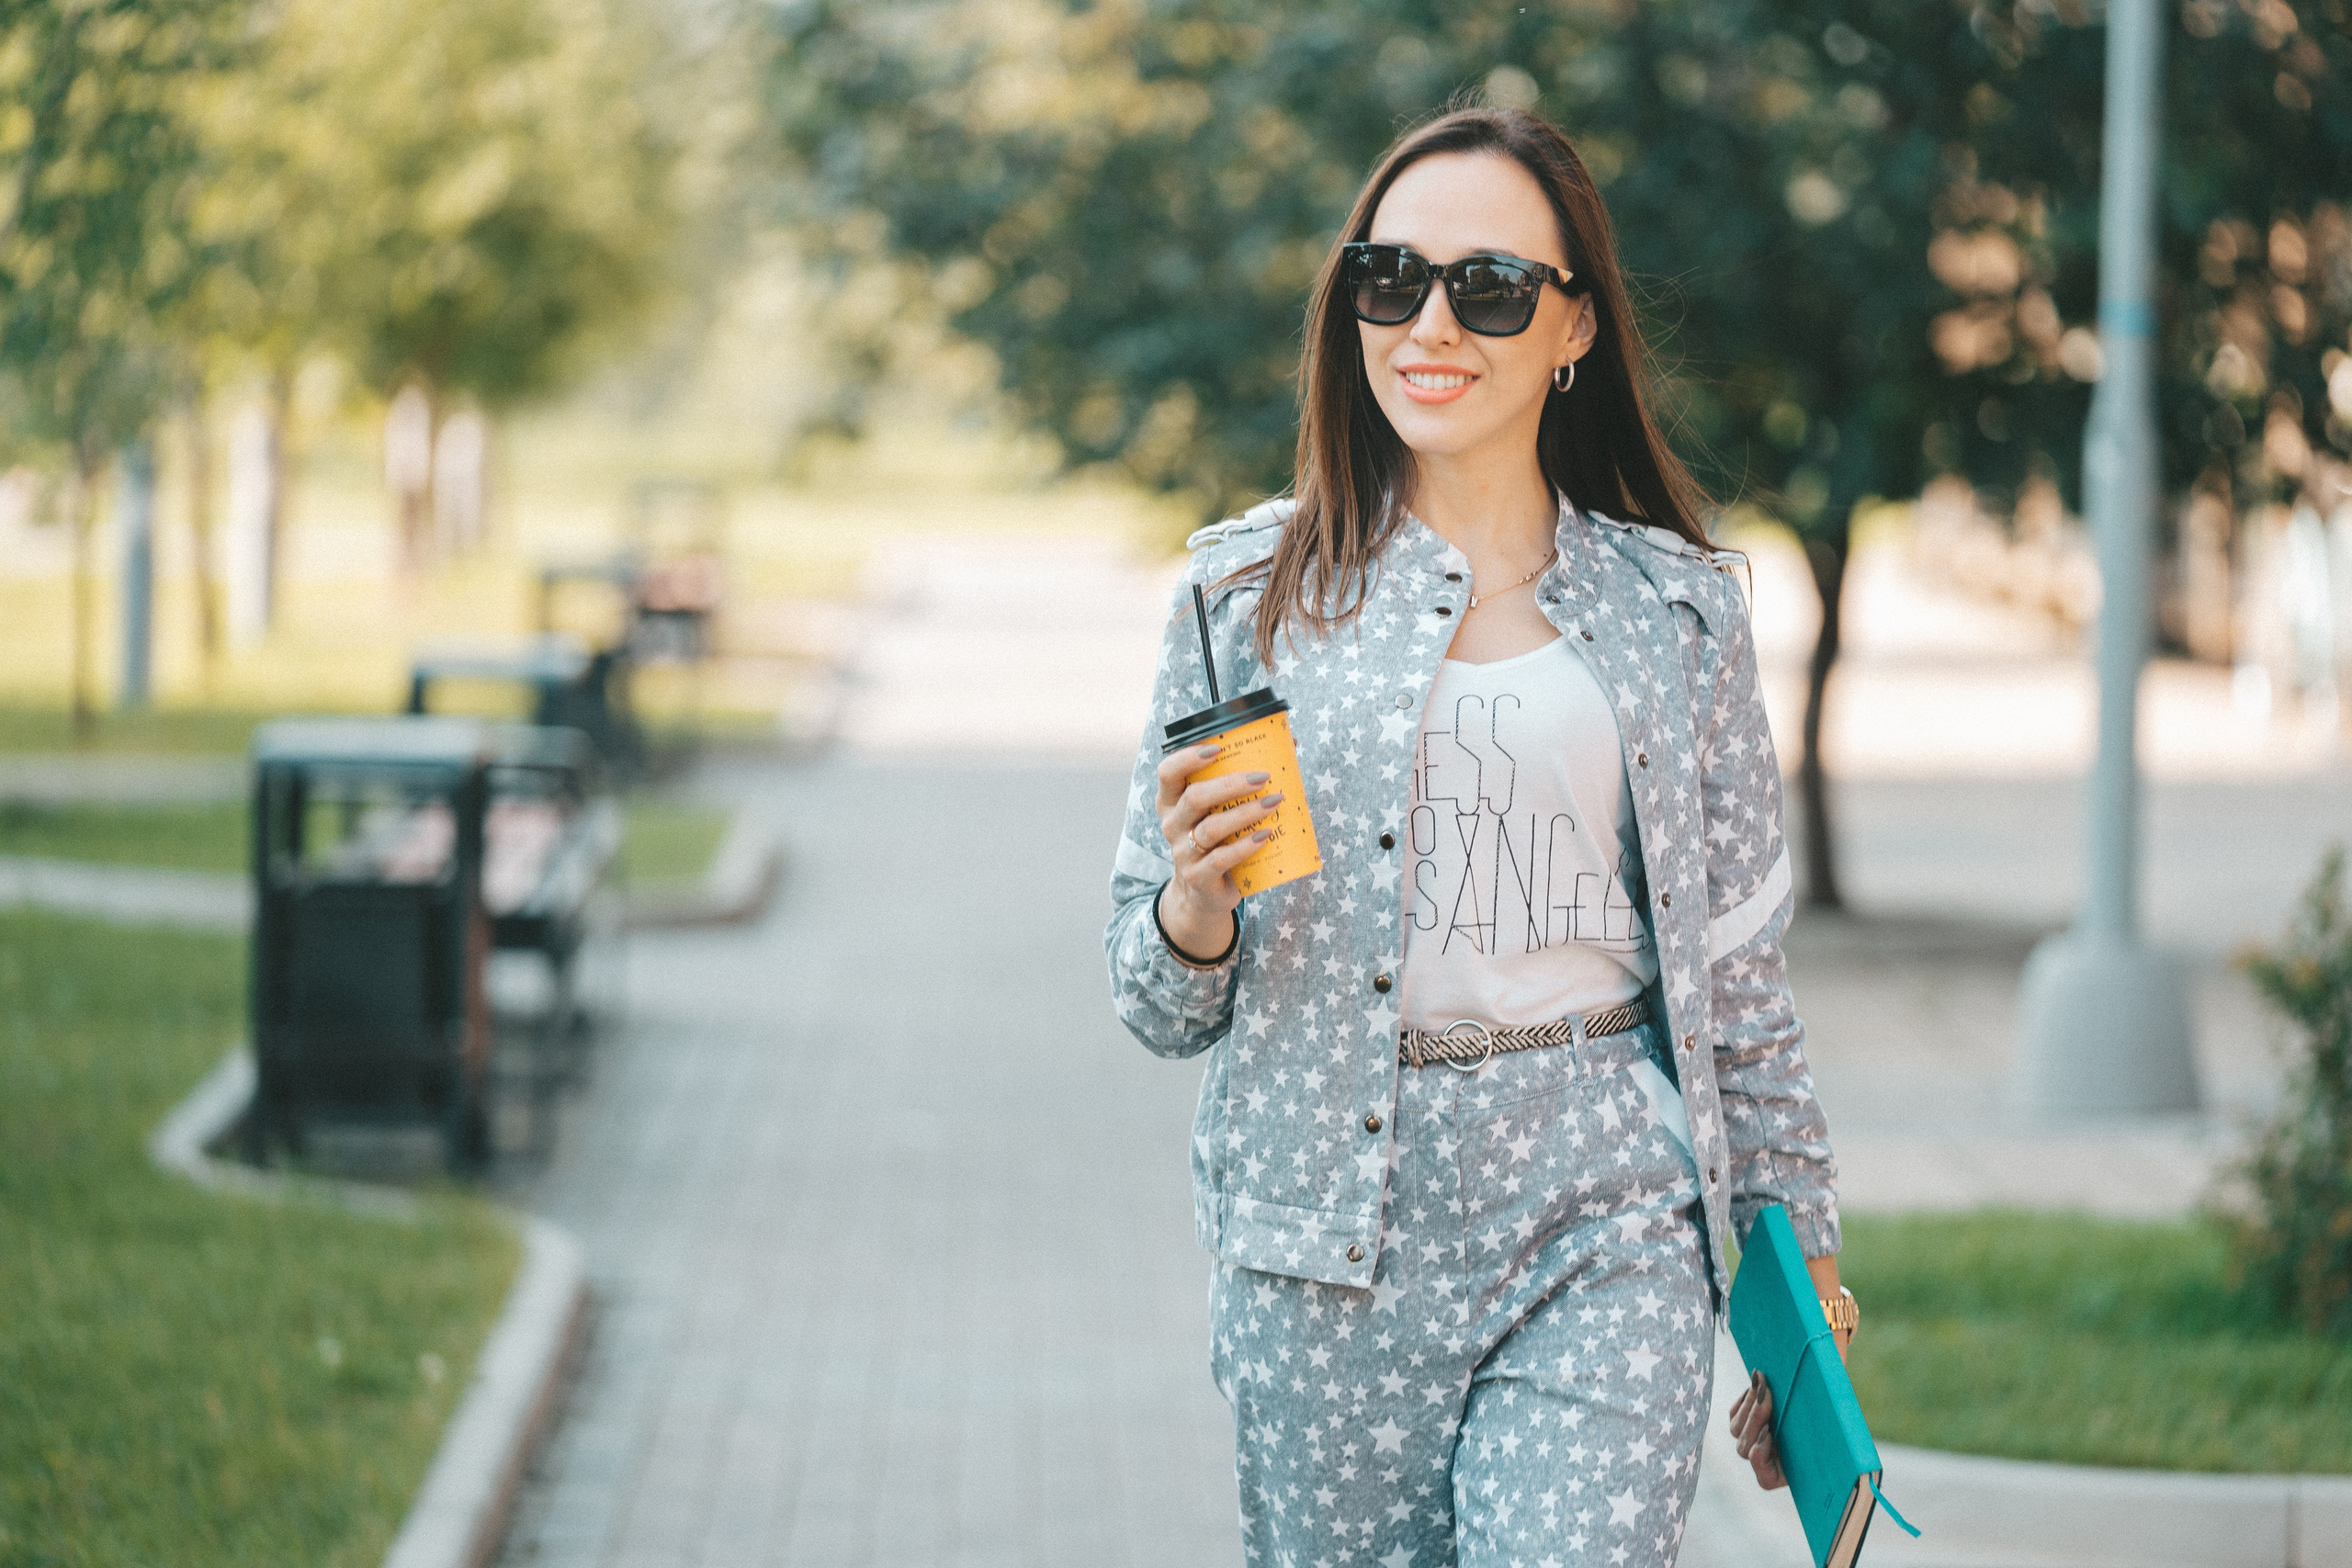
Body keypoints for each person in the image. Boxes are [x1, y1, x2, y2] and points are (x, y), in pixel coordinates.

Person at [1104, 106, 1853, 1566]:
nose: (1430, 324)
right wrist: (1199, 900)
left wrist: (1800, 1271)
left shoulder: (1677, 612)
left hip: (1604, 1211)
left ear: (1572, 328)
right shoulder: (1244, 599)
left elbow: (1740, 987)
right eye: (1391, 279)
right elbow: (1153, 999)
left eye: (1490, 287)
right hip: (1326, 1239)